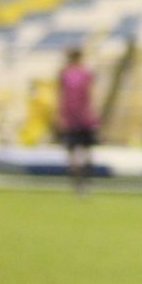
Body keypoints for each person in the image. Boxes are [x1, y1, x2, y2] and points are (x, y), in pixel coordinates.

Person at [56, 47, 100, 194]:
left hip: (70, 118)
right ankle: (87, 181)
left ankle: (76, 183)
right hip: (86, 117)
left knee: (72, 152)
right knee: (87, 151)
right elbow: (91, 95)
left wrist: (60, 116)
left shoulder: (64, 73)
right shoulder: (86, 73)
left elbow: (60, 96)